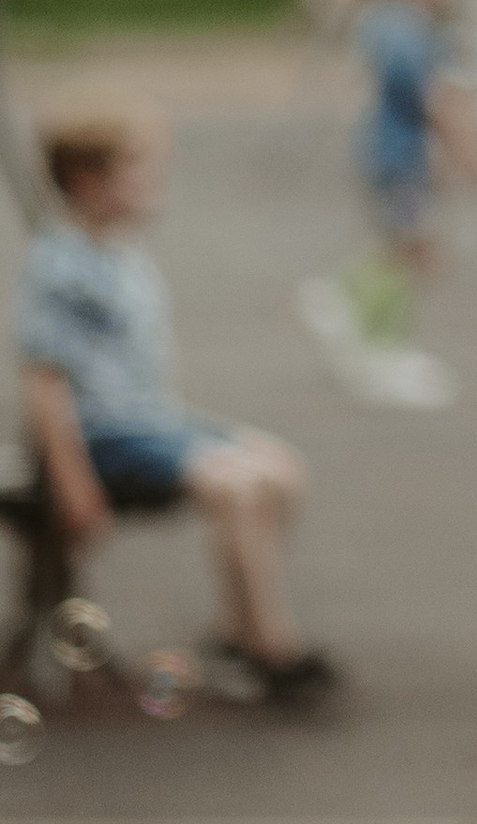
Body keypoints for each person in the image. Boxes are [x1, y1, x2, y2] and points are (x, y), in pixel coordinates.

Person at [11, 116, 336, 702]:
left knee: (281, 468)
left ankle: (237, 629)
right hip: (105, 435)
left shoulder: (121, 252)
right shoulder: (59, 263)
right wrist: (73, 481)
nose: (158, 187)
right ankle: (272, 648)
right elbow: (44, 383)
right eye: (142, 175)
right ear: (88, 182)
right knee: (236, 486)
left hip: (154, 422)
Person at [349, 0, 477, 295]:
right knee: (413, 244)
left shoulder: (393, 18)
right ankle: (356, 306)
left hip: (395, 151)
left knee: (407, 243)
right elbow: (427, 96)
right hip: (400, 154)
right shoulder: (401, 24)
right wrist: (471, 151)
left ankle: (370, 313)